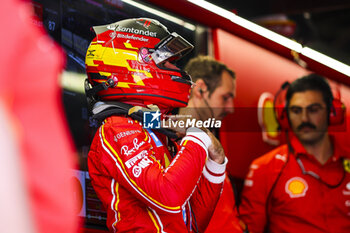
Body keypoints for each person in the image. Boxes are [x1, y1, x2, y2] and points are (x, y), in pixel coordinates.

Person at [85, 18, 228, 232]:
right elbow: (168, 197)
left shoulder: (156, 128)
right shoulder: (116, 128)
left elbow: (191, 224)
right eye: (167, 62)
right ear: (133, 63)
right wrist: (198, 135)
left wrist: (216, 163)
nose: (176, 69)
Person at [239, 73, 350, 233]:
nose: (304, 118)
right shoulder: (265, 168)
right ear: (285, 116)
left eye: (313, 110)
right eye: (296, 110)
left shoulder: (346, 162)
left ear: (332, 113)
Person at [178, 55, 244, 233]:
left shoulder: (210, 145)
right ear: (200, 89)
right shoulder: (174, 142)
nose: (231, 108)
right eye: (225, 97)